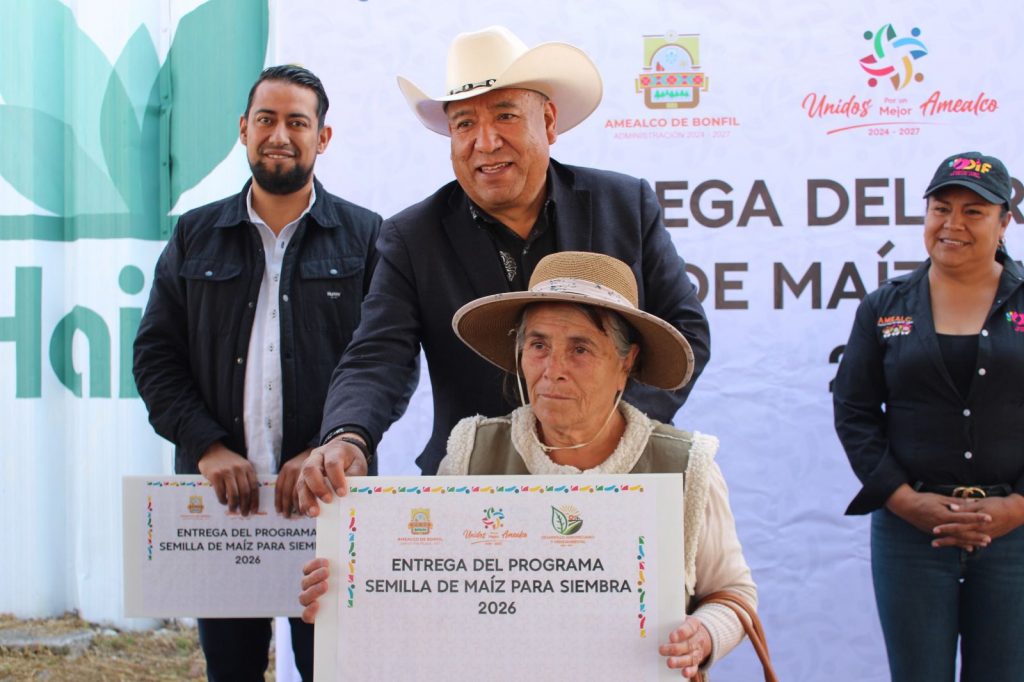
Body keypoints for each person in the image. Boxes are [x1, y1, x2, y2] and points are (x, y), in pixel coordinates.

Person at [299, 251, 755, 679]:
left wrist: (703, 634)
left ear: (626, 362)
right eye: (538, 345)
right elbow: (433, 590)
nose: (553, 369)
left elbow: (733, 594)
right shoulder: (472, 452)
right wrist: (351, 595)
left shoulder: (684, 466)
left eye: (580, 349)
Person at [300, 25, 710, 490]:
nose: (486, 141)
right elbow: (378, 355)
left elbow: (686, 332)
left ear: (549, 121)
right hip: (473, 482)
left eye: (506, 116)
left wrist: (608, 432)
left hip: (617, 479)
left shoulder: (624, 205)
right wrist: (347, 436)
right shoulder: (412, 237)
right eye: (464, 124)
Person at [133, 65, 384, 682]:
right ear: (244, 130)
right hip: (223, 509)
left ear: (322, 137)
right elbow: (156, 357)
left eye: (297, 122)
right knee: (231, 670)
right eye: (266, 120)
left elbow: (385, 362)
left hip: (328, 502)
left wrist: (327, 445)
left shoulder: (367, 236)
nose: (280, 135)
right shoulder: (195, 235)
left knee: (332, 669)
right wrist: (206, 446)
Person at [834, 152, 1024, 680]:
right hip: (910, 535)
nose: (952, 224)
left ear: (1004, 222)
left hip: (1015, 536)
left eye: (974, 211)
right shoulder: (884, 306)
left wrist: (1018, 507)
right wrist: (904, 500)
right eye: (942, 208)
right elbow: (854, 411)